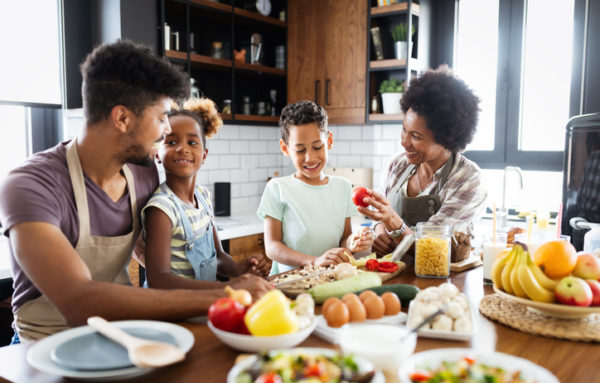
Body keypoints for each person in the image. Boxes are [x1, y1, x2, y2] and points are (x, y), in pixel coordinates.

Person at [0, 40, 271, 343]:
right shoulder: (29, 185)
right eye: (161, 118)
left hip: (121, 333)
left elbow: (148, 251)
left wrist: (224, 269)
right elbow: (79, 302)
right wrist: (229, 292)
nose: (167, 129)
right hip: (43, 342)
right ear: (122, 118)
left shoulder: (142, 174)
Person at [358, 66, 488, 257]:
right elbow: (380, 218)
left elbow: (434, 248)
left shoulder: (467, 181)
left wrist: (395, 225)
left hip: (443, 282)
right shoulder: (396, 165)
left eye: (416, 136)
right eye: (404, 129)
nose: (404, 142)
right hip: (394, 277)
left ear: (446, 139)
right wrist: (379, 233)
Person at [143, 98, 270, 288]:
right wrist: (226, 289)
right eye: (171, 141)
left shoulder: (203, 196)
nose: (182, 148)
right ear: (157, 154)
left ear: (204, 155)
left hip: (203, 305)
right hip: (173, 311)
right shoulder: (162, 208)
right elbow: (159, 279)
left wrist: (238, 269)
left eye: (192, 142)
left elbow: (217, 256)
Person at [258, 100, 373, 275]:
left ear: (329, 141)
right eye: (300, 150)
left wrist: (354, 242)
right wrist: (313, 261)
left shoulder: (342, 187)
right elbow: (272, 247)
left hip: (331, 278)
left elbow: (343, 240)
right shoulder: (277, 188)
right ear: (285, 148)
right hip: (290, 282)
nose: (310, 157)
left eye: (317, 147)